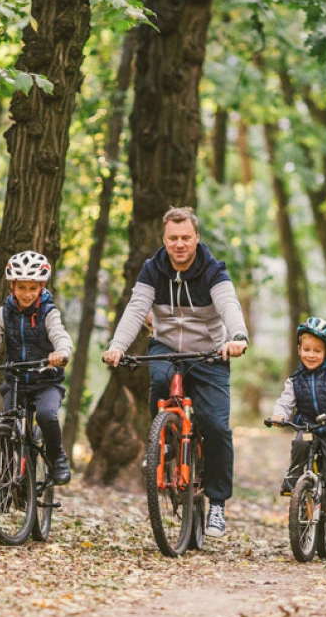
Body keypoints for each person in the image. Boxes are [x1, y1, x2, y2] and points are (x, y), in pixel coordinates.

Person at [102, 207, 249, 538]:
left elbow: (229, 305)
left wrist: (238, 337)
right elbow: (136, 309)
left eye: (185, 237)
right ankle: (163, 442)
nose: (179, 244)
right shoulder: (152, 270)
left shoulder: (213, 270)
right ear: (164, 239)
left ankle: (217, 504)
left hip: (209, 353)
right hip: (166, 347)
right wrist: (118, 346)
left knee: (215, 426)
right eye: (173, 238)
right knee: (160, 380)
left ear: (196, 238)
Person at [0, 251, 73, 485]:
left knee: (46, 415)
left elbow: (60, 336)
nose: (27, 294)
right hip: (16, 381)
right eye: (21, 287)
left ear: (41, 287)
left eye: (33, 288)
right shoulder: (4, 313)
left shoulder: (48, 312)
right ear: (13, 287)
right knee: (7, 426)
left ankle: (57, 457)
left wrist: (61, 353)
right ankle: (6, 482)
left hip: (46, 381)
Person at [271, 317, 326, 544]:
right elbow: (285, 401)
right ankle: (295, 478)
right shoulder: (295, 380)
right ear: (299, 350)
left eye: (317, 351)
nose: (311, 355)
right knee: (300, 442)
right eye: (306, 349)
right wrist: (279, 415)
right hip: (308, 426)